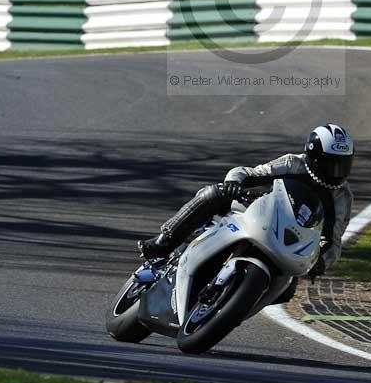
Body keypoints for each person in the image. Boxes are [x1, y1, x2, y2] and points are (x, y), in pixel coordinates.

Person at [138, 124, 354, 295]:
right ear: (313, 157)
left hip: (291, 240)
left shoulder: (342, 197)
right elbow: (247, 173)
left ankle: (237, 304)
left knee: (287, 289)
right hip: (260, 211)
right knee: (214, 193)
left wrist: (321, 261)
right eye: (331, 163)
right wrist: (234, 183)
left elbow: (332, 240)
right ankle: (163, 244)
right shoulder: (292, 164)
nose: (337, 171)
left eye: (343, 164)